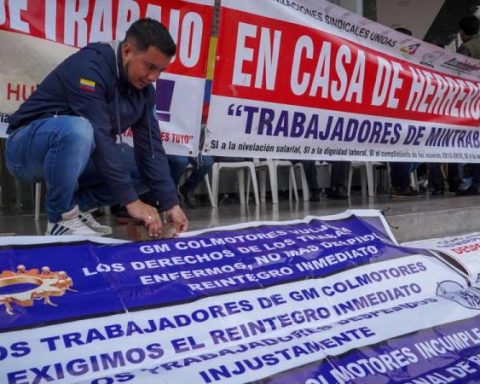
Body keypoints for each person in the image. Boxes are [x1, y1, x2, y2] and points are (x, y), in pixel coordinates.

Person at [5, 18, 188, 237]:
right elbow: (100, 136)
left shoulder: (145, 93)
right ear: (127, 51)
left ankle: (77, 208)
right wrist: (131, 201)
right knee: (79, 129)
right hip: (24, 150)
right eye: (150, 67)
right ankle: (60, 219)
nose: (153, 77)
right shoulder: (90, 66)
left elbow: (150, 148)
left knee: (148, 167)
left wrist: (170, 203)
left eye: (160, 70)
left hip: (79, 154)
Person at [455, 15, 480, 195]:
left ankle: (475, 183)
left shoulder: (466, 48)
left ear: (462, 33)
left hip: (472, 103)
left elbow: (455, 76)